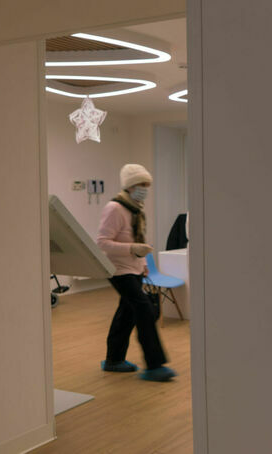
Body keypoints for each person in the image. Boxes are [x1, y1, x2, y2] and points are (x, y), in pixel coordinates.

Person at [96, 163, 176, 382]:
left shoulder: (135, 208)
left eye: (147, 185)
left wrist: (142, 264)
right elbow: (102, 242)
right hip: (119, 270)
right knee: (144, 310)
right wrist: (133, 249)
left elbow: (135, 238)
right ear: (130, 185)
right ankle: (154, 365)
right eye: (141, 184)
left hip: (134, 269)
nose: (145, 189)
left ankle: (113, 360)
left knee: (127, 313)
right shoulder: (115, 208)